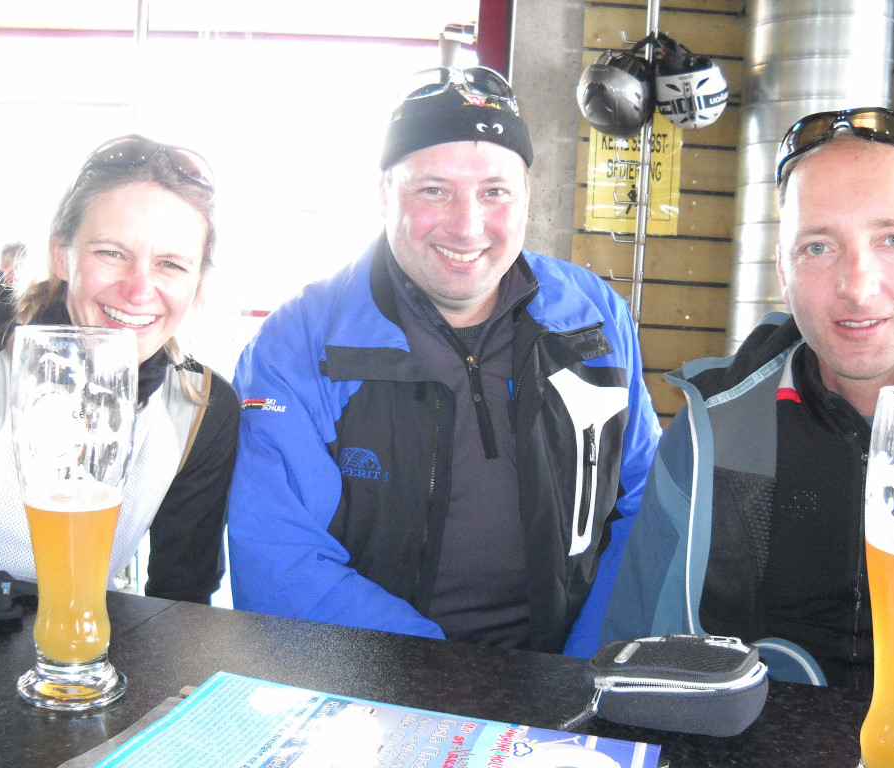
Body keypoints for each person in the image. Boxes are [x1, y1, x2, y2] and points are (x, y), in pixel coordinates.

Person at [228, 66, 659, 652]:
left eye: (494, 192)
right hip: (378, 676)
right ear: (384, 194)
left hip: (567, 669)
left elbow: (647, 504)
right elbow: (278, 558)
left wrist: (586, 663)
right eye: (433, 189)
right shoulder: (299, 342)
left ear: (527, 198)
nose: (467, 225)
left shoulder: (595, 316)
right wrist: (440, 675)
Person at [601, 107, 894, 703]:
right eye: (818, 247)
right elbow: (636, 667)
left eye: (892, 240)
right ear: (784, 273)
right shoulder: (712, 429)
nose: (857, 286)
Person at [0, 135, 240, 604]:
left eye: (171, 264)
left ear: (198, 279)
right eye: (112, 253)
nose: (138, 291)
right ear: (61, 255)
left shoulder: (201, 407)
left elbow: (181, 600)